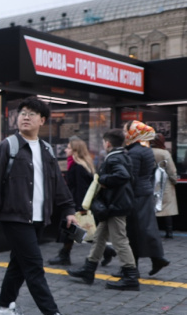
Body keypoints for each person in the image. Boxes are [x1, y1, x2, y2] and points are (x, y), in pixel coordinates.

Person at [0, 96, 77, 315]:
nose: (25, 116)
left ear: (42, 120)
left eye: (31, 114)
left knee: (19, 264)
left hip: (38, 218)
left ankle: (4, 308)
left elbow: (58, 184)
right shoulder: (8, 146)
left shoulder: (45, 149)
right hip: (14, 216)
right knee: (34, 265)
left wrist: (68, 210)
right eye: (22, 112)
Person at [67, 129, 138, 289]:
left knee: (119, 240)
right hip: (115, 204)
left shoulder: (114, 158)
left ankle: (131, 277)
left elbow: (123, 175)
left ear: (107, 143)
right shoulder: (124, 155)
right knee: (99, 237)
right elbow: (130, 177)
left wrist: (103, 179)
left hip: (115, 205)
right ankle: (88, 269)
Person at [123, 121, 169, 276]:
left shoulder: (134, 152)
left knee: (134, 230)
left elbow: (132, 176)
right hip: (145, 192)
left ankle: (133, 267)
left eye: (126, 130)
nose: (124, 133)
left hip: (136, 194)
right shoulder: (146, 149)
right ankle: (156, 258)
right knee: (146, 227)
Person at [48, 138, 96, 266]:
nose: (65, 150)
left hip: (75, 203)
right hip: (74, 202)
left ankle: (64, 255)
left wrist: (78, 207)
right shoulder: (79, 164)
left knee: (72, 230)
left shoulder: (78, 166)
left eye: (68, 148)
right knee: (74, 231)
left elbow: (81, 188)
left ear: (75, 151)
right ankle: (65, 254)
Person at [151, 134, 178, 239]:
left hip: (152, 181)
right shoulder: (164, 153)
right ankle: (169, 231)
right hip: (164, 182)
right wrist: (174, 180)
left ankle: (154, 231)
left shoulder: (148, 152)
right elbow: (171, 169)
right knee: (167, 209)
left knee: (153, 207)